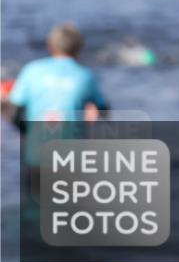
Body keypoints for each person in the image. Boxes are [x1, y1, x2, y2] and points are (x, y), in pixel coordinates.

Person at [2, 23, 109, 188]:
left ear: (50, 46)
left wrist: (25, 131)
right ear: (79, 48)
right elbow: (104, 110)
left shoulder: (32, 71)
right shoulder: (86, 76)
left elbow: (13, 110)